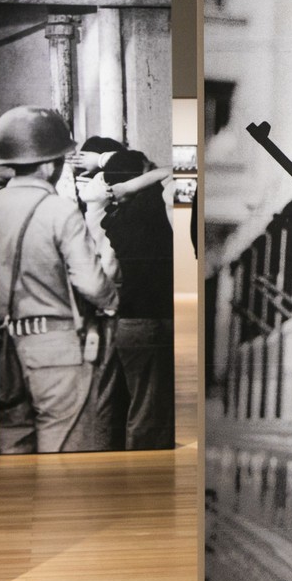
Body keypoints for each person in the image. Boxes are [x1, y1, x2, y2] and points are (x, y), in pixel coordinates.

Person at [0, 106, 118, 454]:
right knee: (62, 454)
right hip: (53, 349)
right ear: (48, 165)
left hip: (0, 349)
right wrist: (112, 303)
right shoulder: (59, 210)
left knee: (12, 453)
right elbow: (91, 283)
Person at [93, 148, 176, 449]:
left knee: (143, 411)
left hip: (130, 323)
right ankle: (142, 483)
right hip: (154, 321)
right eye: (147, 168)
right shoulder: (154, 209)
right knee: (151, 417)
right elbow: (179, 168)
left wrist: (124, 183)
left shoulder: (114, 218)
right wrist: (134, 182)